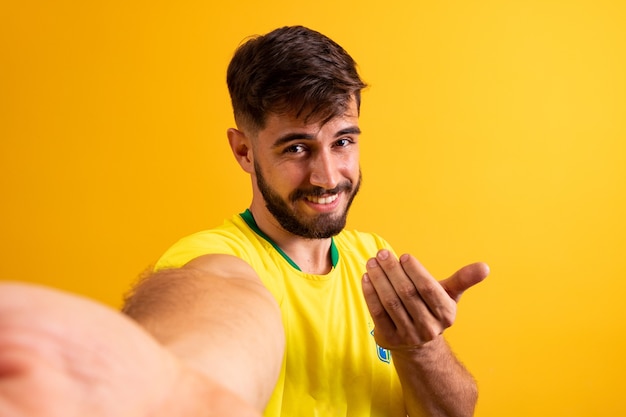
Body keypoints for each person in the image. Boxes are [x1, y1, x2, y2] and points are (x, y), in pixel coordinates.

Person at [0, 25, 488, 417]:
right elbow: (213, 316)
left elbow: (453, 411)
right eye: (297, 147)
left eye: (343, 141)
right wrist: (165, 385)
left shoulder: (375, 260)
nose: (327, 175)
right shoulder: (212, 259)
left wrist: (419, 347)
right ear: (243, 151)